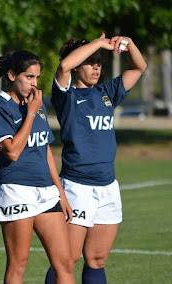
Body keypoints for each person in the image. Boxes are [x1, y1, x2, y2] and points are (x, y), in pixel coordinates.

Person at [46, 34, 147, 283]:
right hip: (77, 187)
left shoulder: (106, 92)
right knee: (67, 259)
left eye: (99, 61)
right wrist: (97, 44)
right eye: (90, 61)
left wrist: (129, 43)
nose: (96, 66)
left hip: (108, 186)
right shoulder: (66, 95)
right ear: (79, 63)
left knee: (97, 259)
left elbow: (139, 67)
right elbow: (64, 67)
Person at [0, 50, 75, 284]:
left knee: (64, 263)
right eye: (29, 77)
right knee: (18, 265)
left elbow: (44, 150)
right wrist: (31, 114)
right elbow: (13, 151)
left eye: (37, 78)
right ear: (12, 75)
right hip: (16, 190)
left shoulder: (35, 103)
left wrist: (60, 193)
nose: (34, 84)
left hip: (46, 191)